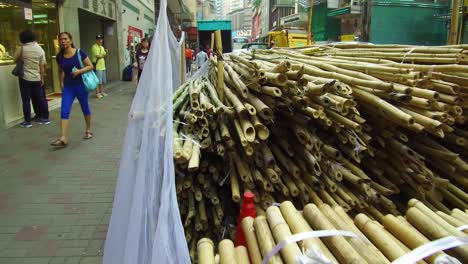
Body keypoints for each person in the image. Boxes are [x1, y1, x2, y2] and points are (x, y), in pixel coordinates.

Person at [50, 32, 94, 147]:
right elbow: (60, 71)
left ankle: (88, 129)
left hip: (80, 86)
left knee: (85, 108)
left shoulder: (79, 52)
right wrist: (61, 84)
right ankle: (63, 137)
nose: (63, 41)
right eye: (61, 39)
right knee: (64, 110)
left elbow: (90, 66)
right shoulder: (59, 56)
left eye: (65, 39)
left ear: (70, 40)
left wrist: (79, 71)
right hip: (68, 87)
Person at [14, 29, 49, 127]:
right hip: (37, 78)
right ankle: (45, 118)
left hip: (25, 78)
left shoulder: (21, 48)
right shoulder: (39, 49)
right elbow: (42, 66)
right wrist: (42, 78)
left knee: (26, 100)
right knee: (41, 98)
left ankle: (27, 121)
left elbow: (14, 59)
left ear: (22, 38)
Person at [90, 34, 107, 98]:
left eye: (101, 39)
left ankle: (102, 92)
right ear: (96, 40)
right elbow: (98, 56)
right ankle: (97, 93)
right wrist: (103, 55)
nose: (100, 41)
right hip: (97, 66)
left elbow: (105, 55)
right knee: (97, 80)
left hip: (103, 66)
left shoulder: (102, 47)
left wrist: (103, 55)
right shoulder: (94, 47)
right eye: (98, 39)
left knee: (102, 81)